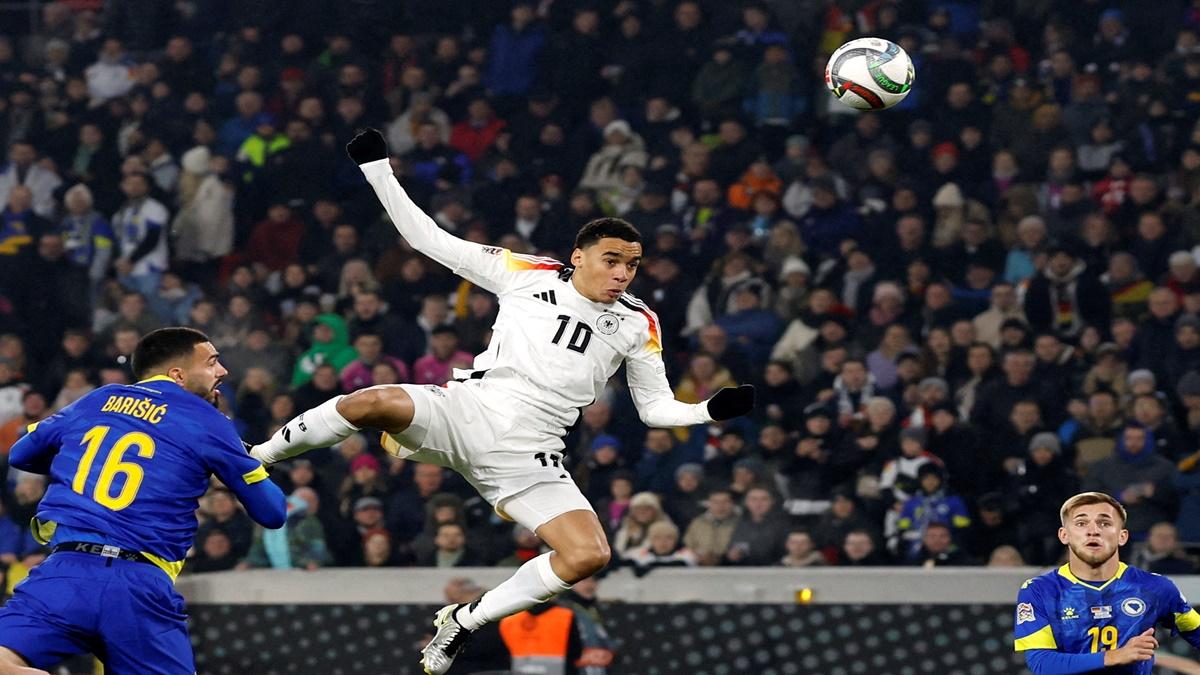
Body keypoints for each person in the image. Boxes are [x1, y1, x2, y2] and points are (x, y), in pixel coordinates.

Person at [249, 129, 755, 674]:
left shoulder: (638, 323)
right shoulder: (525, 273)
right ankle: (257, 458)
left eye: (631, 265)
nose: (622, 274)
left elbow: (654, 408)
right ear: (578, 255)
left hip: (531, 452)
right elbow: (429, 239)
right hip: (469, 411)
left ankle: (463, 622)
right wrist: (378, 168)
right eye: (611, 261)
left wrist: (706, 411)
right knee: (372, 400)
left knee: (589, 555)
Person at [0, 328, 287, 675]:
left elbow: (20, 453)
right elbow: (272, 512)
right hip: (139, 589)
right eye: (212, 361)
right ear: (178, 375)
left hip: (63, 574)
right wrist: (243, 460)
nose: (223, 371)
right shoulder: (209, 423)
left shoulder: (97, 400)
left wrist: (80, 464)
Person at [1013, 492, 1200, 673]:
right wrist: (1114, 656)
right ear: (1064, 535)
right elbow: (1041, 663)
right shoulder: (1040, 590)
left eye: (1104, 523)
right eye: (1081, 523)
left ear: (1122, 536)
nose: (1093, 531)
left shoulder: (1155, 587)